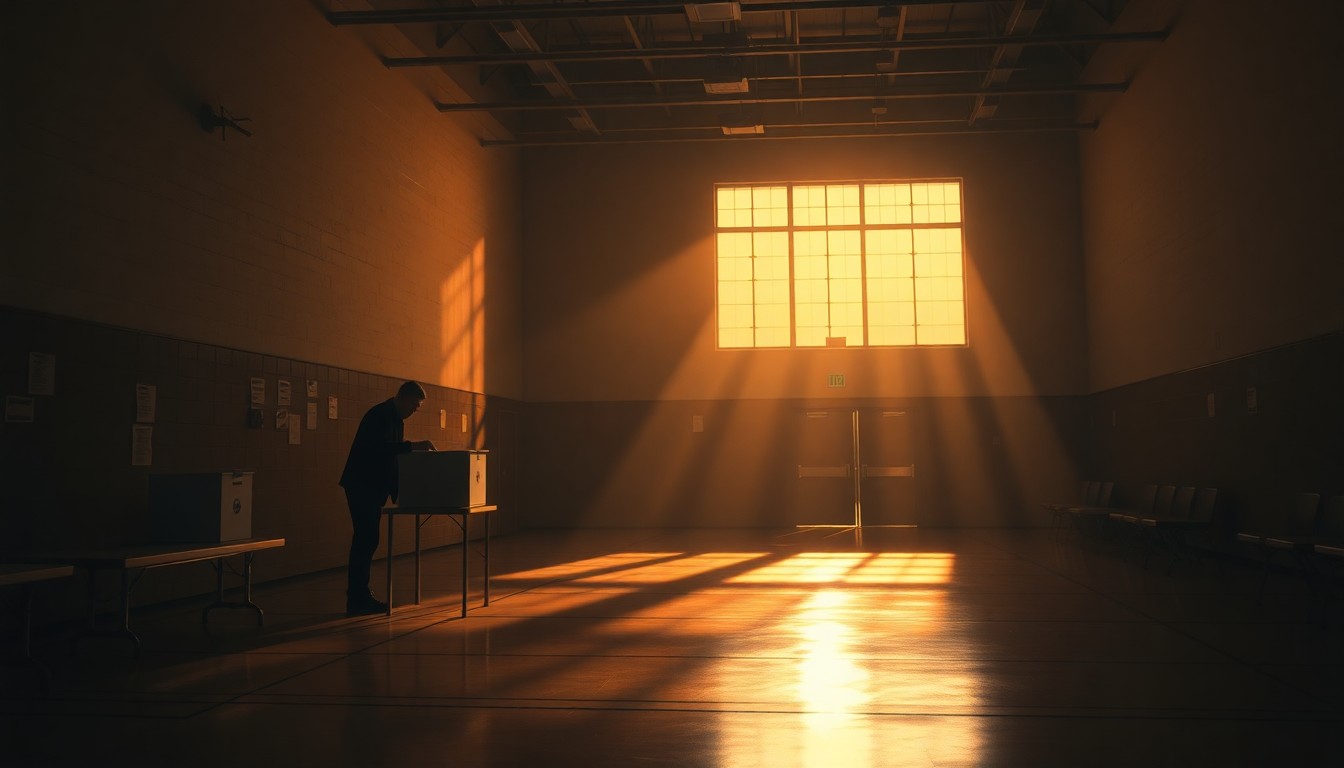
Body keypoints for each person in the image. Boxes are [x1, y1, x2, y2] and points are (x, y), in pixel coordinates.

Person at [339, 380, 436, 616]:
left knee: (367, 539)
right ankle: (358, 597)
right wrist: (412, 447)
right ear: (402, 398)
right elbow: (381, 449)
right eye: (414, 405)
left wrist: (399, 490)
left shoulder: (394, 418)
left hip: (371, 486)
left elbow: (390, 456)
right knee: (366, 539)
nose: (414, 411)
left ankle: (359, 595)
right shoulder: (379, 415)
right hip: (362, 485)